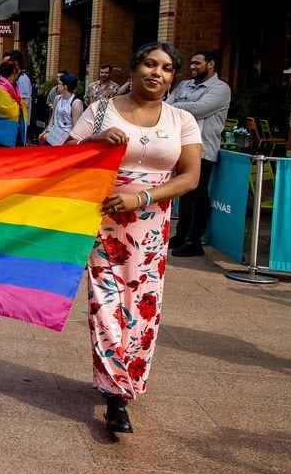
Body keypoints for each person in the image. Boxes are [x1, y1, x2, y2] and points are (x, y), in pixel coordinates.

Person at [68, 42, 201, 434]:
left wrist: (141, 197)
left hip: (152, 228)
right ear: (134, 68)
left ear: (173, 77)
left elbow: (189, 176)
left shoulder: (181, 120)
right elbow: (66, 153)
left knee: (142, 307)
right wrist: (96, 140)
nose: (156, 72)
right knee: (106, 304)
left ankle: (127, 381)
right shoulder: (101, 111)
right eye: (149, 63)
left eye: (166, 68)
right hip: (104, 222)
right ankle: (115, 396)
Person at [166, 49, 232, 258]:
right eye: (191, 63)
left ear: (211, 64)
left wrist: (175, 106)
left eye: (197, 63)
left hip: (203, 149)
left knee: (198, 194)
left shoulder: (221, 89)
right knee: (184, 194)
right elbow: (166, 105)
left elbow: (200, 108)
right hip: (181, 146)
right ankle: (181, 234)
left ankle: (195, 240)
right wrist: (177, 106)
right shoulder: (185, 85)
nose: (192, 67)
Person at [0, 61, 27, 148]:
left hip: (12, 132)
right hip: (0, 136)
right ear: (13, 72)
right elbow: (11, 112)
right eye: (17, 72)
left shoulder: (13, 86)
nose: (19, 76)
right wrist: (21, 107)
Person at [43, 73, 83, 146]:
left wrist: (63, 140)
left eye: (59, 83)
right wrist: (48, 131)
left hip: (66, 137)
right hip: (54, 133)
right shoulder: (57, 98)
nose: (57, 86)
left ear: (65, 86)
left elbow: (76, 128)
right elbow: (53, 117)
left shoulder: (76, 103)